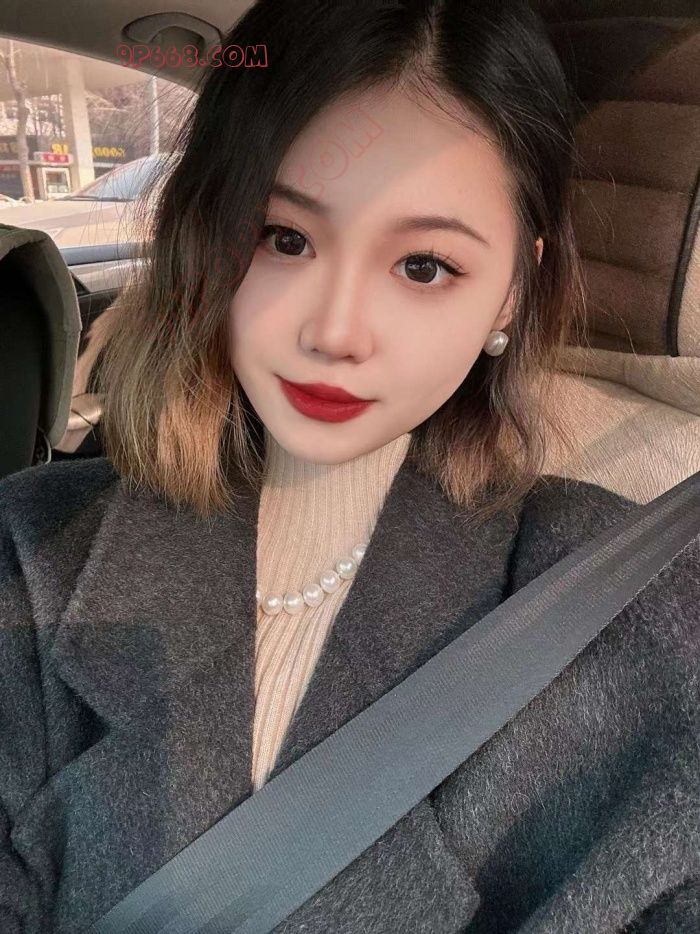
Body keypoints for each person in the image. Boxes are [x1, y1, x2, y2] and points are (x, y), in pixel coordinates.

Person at [0, 1, 697, 932]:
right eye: (284, 238)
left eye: (424, 266)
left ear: (512, 291)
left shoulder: (628, 598)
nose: (335, 331)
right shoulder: (29, 551)